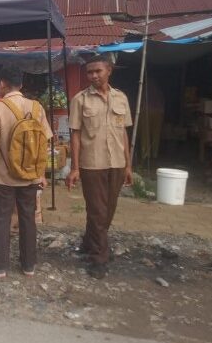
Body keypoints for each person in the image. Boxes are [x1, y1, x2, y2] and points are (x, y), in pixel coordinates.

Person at [0, 65, 53, 278]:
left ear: (1, 84)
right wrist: (42, 173)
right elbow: (44, 144)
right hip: (31, 175)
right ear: (21, 84)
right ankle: (28, 265)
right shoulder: (37, 107)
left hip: (5, 176)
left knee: (1, 219)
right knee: (27, 218)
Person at [66, 54, 133, 280]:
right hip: (91, 163)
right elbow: (74, 135)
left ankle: (88, 243)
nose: (93, 76)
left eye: (98, 71)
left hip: (116, 162)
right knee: (97, 211)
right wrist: (74, 168)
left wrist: (128, 166)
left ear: (109, 71)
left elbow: (123, 132)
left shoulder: (121, 98)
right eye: (89, 72)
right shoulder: (80, 100)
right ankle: (99, 258)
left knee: (108, 210)